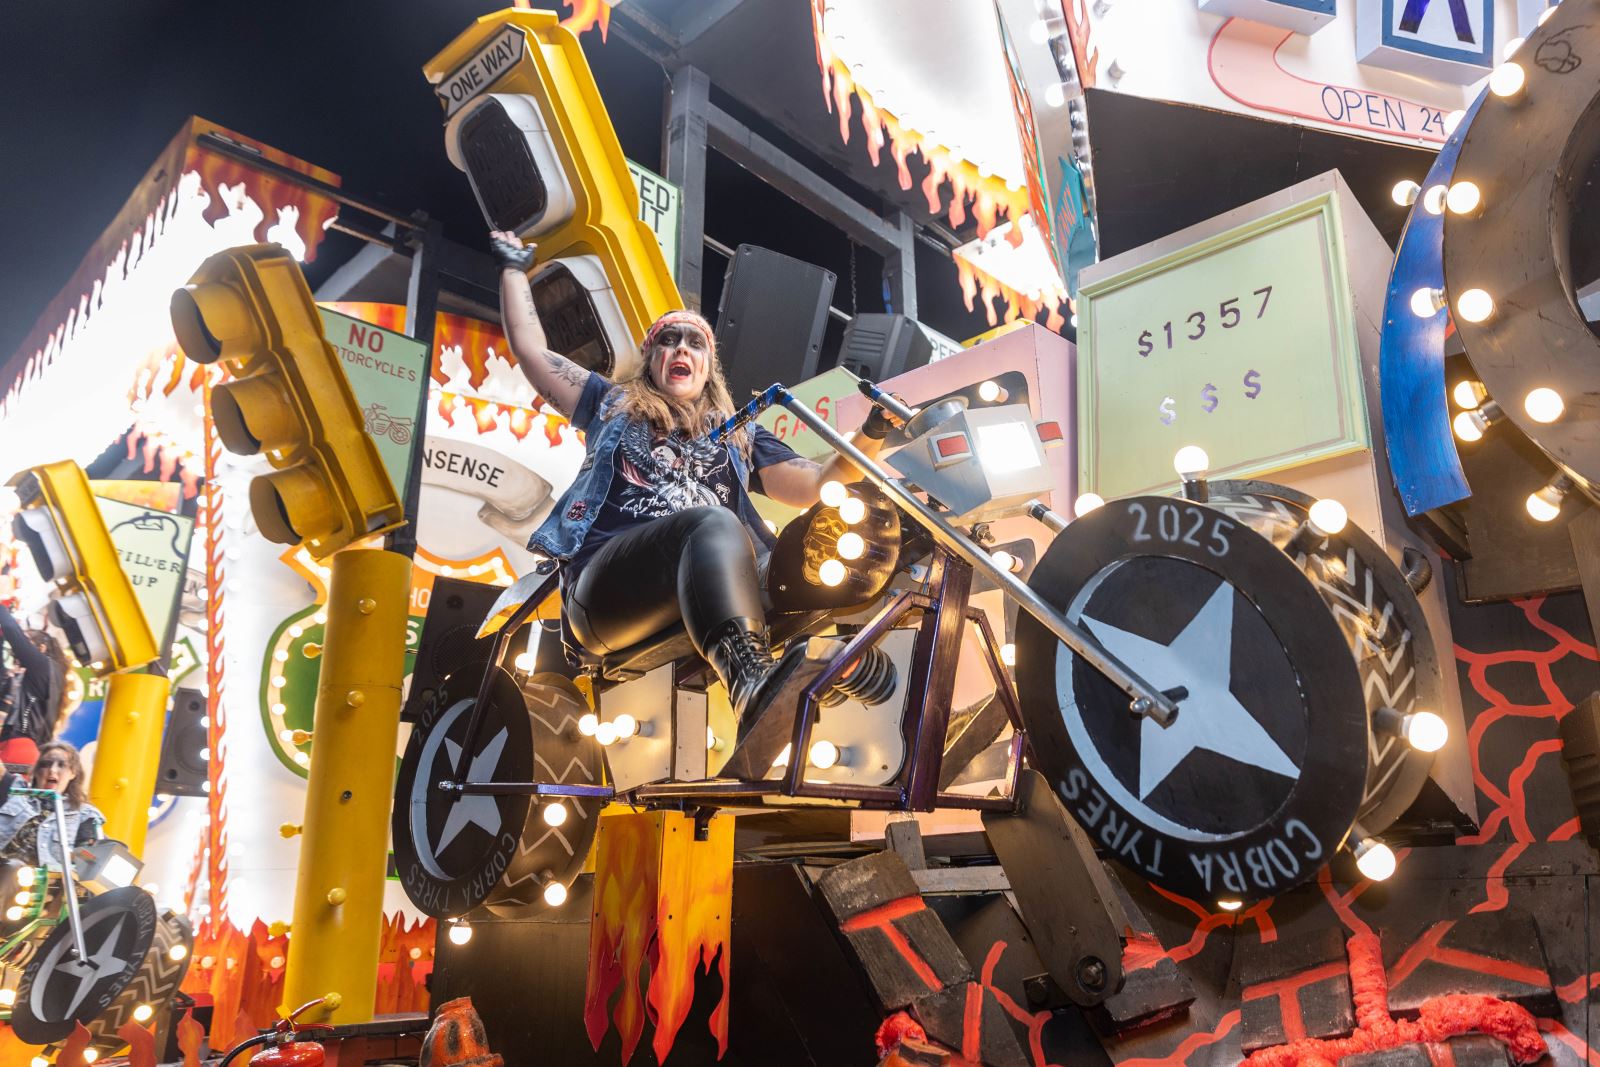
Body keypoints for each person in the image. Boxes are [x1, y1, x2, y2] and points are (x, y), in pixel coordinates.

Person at [492, 231, 897, 728]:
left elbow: (816, 484)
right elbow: (532, 352)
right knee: (711, 523)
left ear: (708, 365)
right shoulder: (609, 403)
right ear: (651, 357)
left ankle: (824, 661)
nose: (681, 348)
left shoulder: (742, 435)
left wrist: (873, 433)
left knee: (807, 544)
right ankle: (749, 681)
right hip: (607, 594)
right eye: (668, 339)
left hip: (701, 588)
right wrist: (513, 268)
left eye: (695, 342)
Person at [0, 741, 103, 867]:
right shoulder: (15, 790)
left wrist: (78, 855)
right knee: (13, 866)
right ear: (36, 771)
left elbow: (92, 856)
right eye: (45, 765)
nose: (52, 770)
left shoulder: (84, 814)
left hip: (46, 882)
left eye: (61, 765)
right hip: (4, 866)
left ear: (73, 773)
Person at [0, 604, 67, 767]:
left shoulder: (42, 664)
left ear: (41, 648)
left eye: (28, 642)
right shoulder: (55, 674)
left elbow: (10, 628)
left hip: (17, 745)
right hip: (29, 749)